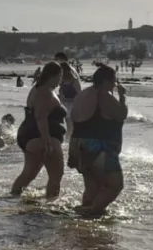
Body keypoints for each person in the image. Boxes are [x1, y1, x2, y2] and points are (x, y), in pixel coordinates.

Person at [69, 64, 128, 218]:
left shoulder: (82, 95)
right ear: (106, 82)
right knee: (115, 185)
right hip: (100, 148)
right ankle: (91, 213)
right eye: (113, 81)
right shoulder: (103, 95)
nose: (115, 84)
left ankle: (83, 218)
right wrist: (122, 98)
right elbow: (121, 114)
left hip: (80, 144)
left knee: (92, 187)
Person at [12, 62, 66, 197]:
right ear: (54, 76)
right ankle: (51, 205)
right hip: (42, 137)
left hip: (31, 135)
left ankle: (12, 198)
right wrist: (47, 142)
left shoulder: (39, 88)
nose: (60, 81)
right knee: (56, 176)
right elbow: (40, 117)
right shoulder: (45, 92)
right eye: (60, 77)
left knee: (29, 174)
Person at [58, 62, 82, 137]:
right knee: (68, 123)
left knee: (73, 124)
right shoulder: (61, 81)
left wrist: (71, 100)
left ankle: (71, 138)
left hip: (73, 104)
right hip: (65, 104)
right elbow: (61, 91)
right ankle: (68, 138)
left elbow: (79, 93)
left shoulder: (74, 80)